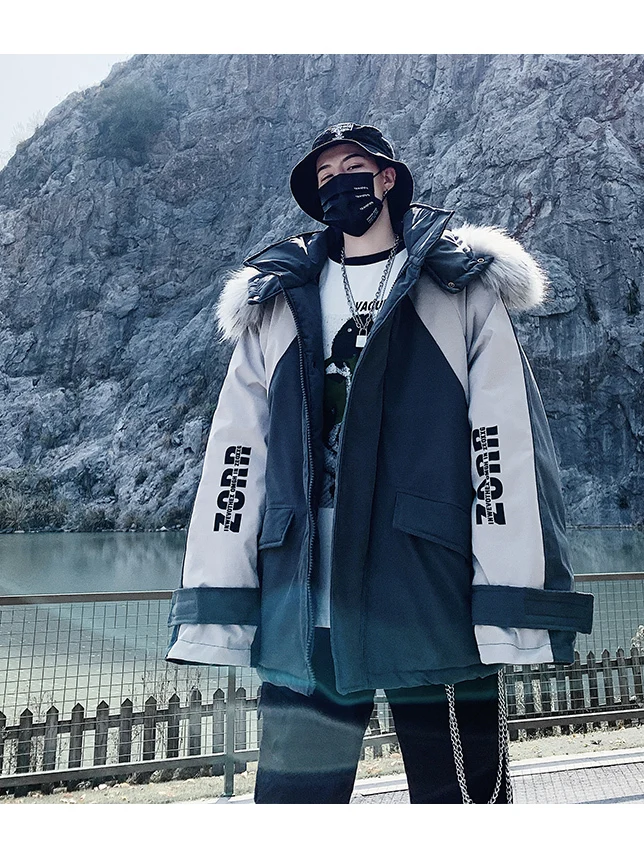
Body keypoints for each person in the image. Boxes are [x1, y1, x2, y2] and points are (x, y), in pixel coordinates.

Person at [165, 122, 594, 804]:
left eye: (352, 168)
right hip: (305, 602)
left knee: (461, 803)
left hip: (430, 593)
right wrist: (221, 594)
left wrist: (507, 596)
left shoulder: (458, 289)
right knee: (293, 807)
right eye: (325, 175)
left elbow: (503, 447)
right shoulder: (277, 300)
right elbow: (237, 454)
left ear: (387, 178)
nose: (338, 183)